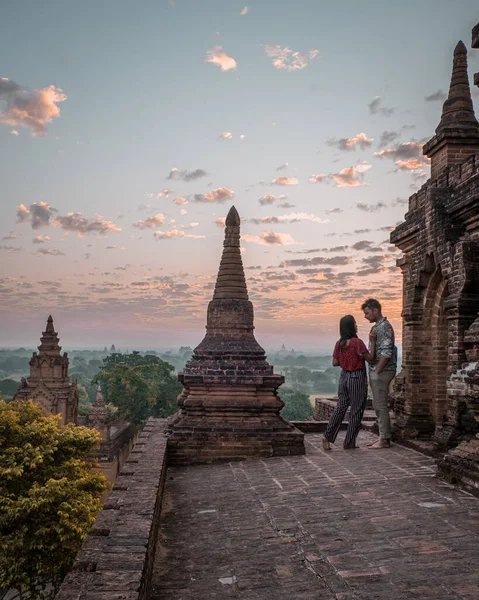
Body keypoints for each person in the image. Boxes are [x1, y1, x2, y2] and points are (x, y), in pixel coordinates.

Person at [322, 315, 376, 451]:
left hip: (344, 377)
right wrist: (373, 342)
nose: (357, 326)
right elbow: (370, 358)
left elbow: (335, 363)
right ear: (351, 327)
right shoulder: (357, 342)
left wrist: (346, 360)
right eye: (355, 324)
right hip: (356, 377)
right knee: (356, 411)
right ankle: (349, 442)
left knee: (340, 407)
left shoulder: (339, 344)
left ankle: (327, 436)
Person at [361, 298, 397, 449]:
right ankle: (382, 437)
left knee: (380, 406)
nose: (366, 316)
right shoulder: (377, 328)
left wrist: (377, 371)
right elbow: (374, 353)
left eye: (367, 313)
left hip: (383, 371)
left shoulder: (385, 327)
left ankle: (384, 439)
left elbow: (387, 352)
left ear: (375, 310)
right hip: (378, 370)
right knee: (377, 405)